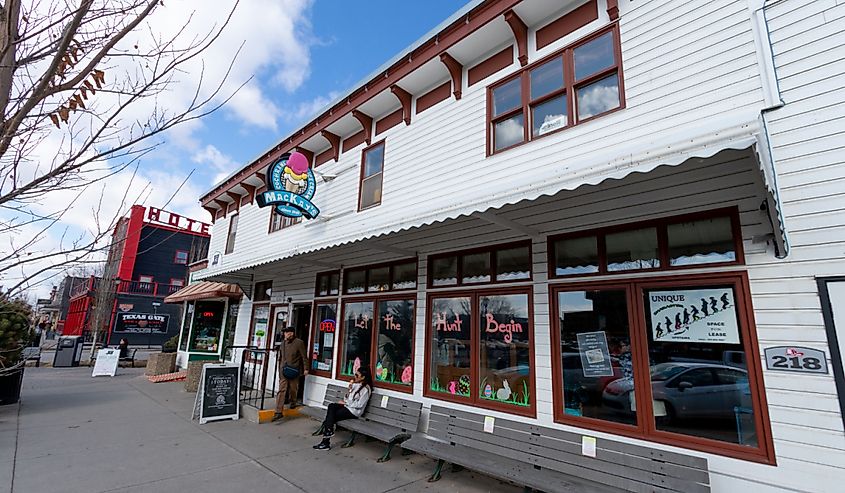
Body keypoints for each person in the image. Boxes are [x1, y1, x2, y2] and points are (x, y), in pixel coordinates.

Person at [313, 367, 372, 450]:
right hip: (347, 407)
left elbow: (359, 404)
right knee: (331, 406)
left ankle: (325, 442)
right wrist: (350, 390)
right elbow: (347, 398)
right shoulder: (355, 385)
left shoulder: (366, 389)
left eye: (357, 375)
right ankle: (328, 432)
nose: (354, 377)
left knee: (332, 416)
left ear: (363, 377)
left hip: (354, 411)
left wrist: (346, 402)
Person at [273, 327, 307, 421]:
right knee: (281, 389)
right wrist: (280, 368)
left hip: (294, 369)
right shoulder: (283, 343)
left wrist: (306, 369)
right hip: (284, 369)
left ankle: (293, 402)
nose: (286, 334)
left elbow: (304, 357)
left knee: (293, 388)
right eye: (285, 333)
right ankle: (278, 411)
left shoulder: (299, 343)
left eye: (287, 333)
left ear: (292, 333)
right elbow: (281, 356)